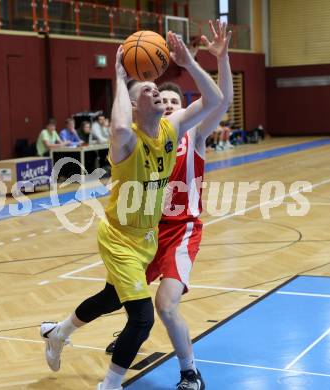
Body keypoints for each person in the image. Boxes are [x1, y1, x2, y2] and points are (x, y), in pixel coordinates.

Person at [40, 30, 223, 390]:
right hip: (120, 238)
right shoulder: (126, 142)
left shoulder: (171, 129)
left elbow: (215, 99)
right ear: (134, 106)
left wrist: (190, 63)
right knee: (141, 319)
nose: (156, 92)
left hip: (147, 237)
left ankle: (58, 332)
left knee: (111, 297)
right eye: (148, 92)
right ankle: (108, 386)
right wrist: (121, 79)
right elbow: (121, 123)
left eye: (156, 89)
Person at [105, 20, 233, 390]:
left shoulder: (193, 133)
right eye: (165, 98)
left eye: (176, 102)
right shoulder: (145, 138)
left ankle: (189, 371)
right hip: (147, 229)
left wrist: (210, 61)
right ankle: (70, 331)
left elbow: (220, 99)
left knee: (166, 304)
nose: (169, 103)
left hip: (181, 228)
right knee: (117, 294)